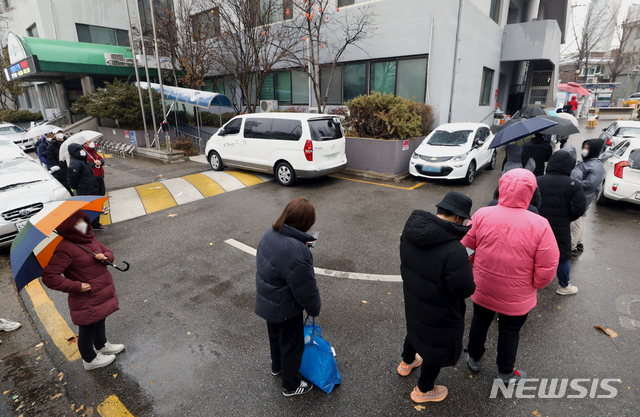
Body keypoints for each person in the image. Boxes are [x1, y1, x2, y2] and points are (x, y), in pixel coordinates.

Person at [461, 169, 559, 385]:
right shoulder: (540, 224)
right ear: (531, 191)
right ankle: (505, 372)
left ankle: (474, 356)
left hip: (483, 286)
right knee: (510, 332)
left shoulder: (482, 214)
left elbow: (466, 247)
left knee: (479, 321)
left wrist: (474, 267)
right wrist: (536, 284)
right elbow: (549, 264)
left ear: (502, 187)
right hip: (518, 295)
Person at [398, 192, 476, 403]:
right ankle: (423, 390)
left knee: (415, 328)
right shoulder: (454, 250)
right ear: (459, 218)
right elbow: (463, 290)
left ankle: (406, 363)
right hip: (439, 308)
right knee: (435, 345)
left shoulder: (410, 232)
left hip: (415, 297)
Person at [255, 198, 321, 397]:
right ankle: (291, 385)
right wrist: (314, 309)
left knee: (275, 338)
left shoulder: (270, 232)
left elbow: (278, 261)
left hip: (268, 300)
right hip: (286, 306)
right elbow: (305, 289)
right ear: (304, 222)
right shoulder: (296, 250)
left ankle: (277, 368)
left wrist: (301, 245)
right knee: (292, 345)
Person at [42, 210, 123, 370]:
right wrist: (76, 286)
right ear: (69, 227)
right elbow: (50, 276)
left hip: (101, 291)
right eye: (78, 223)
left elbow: (109, 252)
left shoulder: (90, 239)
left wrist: (105, 257)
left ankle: (101, 345)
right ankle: (89, 360)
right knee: (87, 327)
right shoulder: (65, 248)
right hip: (86, 297)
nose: (83, 226)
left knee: (100, 318)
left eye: (84, 221)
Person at [537, 146, 587, 295]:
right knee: (562, 255)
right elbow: (579, 207)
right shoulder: (573, 184)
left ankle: (532, 281)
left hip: (537, 224)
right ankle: (564, 286)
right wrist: (568, 217)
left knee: (533, 251)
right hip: (561, 226)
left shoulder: (537, 180)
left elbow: (529, 201)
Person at [570, 139, 612, 256]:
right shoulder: (590, 162)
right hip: (581, 195)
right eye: (584, 147)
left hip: (582, 197)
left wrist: (574, 183)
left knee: (575, 223)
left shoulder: (595, 165)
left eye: (587, 148)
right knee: (580, 220)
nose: (584, 150)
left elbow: (590, 183)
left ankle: (571, 246)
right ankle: (579, 242)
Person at [67, 143, 107, 230]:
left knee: (94, 206)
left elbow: (89, 167)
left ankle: (95, 224)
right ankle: (87, 227)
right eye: (79, 150)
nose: (82, 151)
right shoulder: (75, 163)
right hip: (84, 190)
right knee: (87, 209)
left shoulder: (83, 160)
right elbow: (72, 178)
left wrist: (95, 163)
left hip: (92, 187)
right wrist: (77, 187)